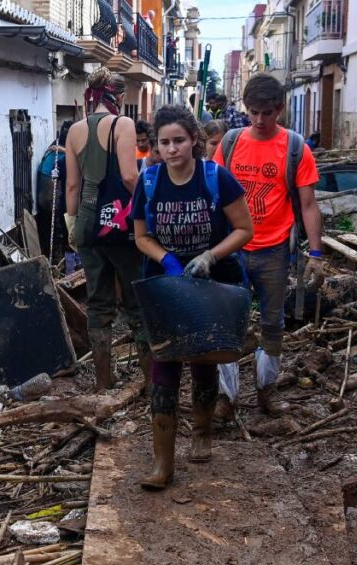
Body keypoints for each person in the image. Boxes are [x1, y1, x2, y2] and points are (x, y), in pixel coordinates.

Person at [132, 105, 254, 490]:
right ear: (156, 145)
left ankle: (201, 432)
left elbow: (243, 228)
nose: (172, 149)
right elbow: (140, 236)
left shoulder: (216, 178)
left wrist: (210, 255)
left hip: (212, 282)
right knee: (164, 365)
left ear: (194, 141)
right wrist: (166, 259)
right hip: (165, 287)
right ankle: (162, 463)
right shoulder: (149, 182)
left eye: (179, 141)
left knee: (204, 359)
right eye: (164, 142)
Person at [213, 73, 325, 418]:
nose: (260, 120)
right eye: (253, 113)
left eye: (267, 113)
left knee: (273, 324)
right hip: (232, 249)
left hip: (275, 251)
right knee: (227, 322)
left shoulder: (295, 148)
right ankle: (226, 399)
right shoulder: (230, 143)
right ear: (246, 109)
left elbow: (308, 204)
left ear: (279, 109)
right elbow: (213, 194)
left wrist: (317, 254)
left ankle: (266, 390)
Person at [63, 67, 149, 392]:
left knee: (98, 305)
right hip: (119, 225)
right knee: (137, 303)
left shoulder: (74, 130)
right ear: (120, 97)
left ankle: (103, 383)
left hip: (86, 223)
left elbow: (72, 185)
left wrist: (73, 225)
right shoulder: (123, 124)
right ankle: (151, 384)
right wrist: (149, 206)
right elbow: (129, 177)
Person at [36, 121, 74, 263]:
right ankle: (62, 262)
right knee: (62, 234)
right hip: (52, 199)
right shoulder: (61, 156)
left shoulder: (55, 151)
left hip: (45, 200)